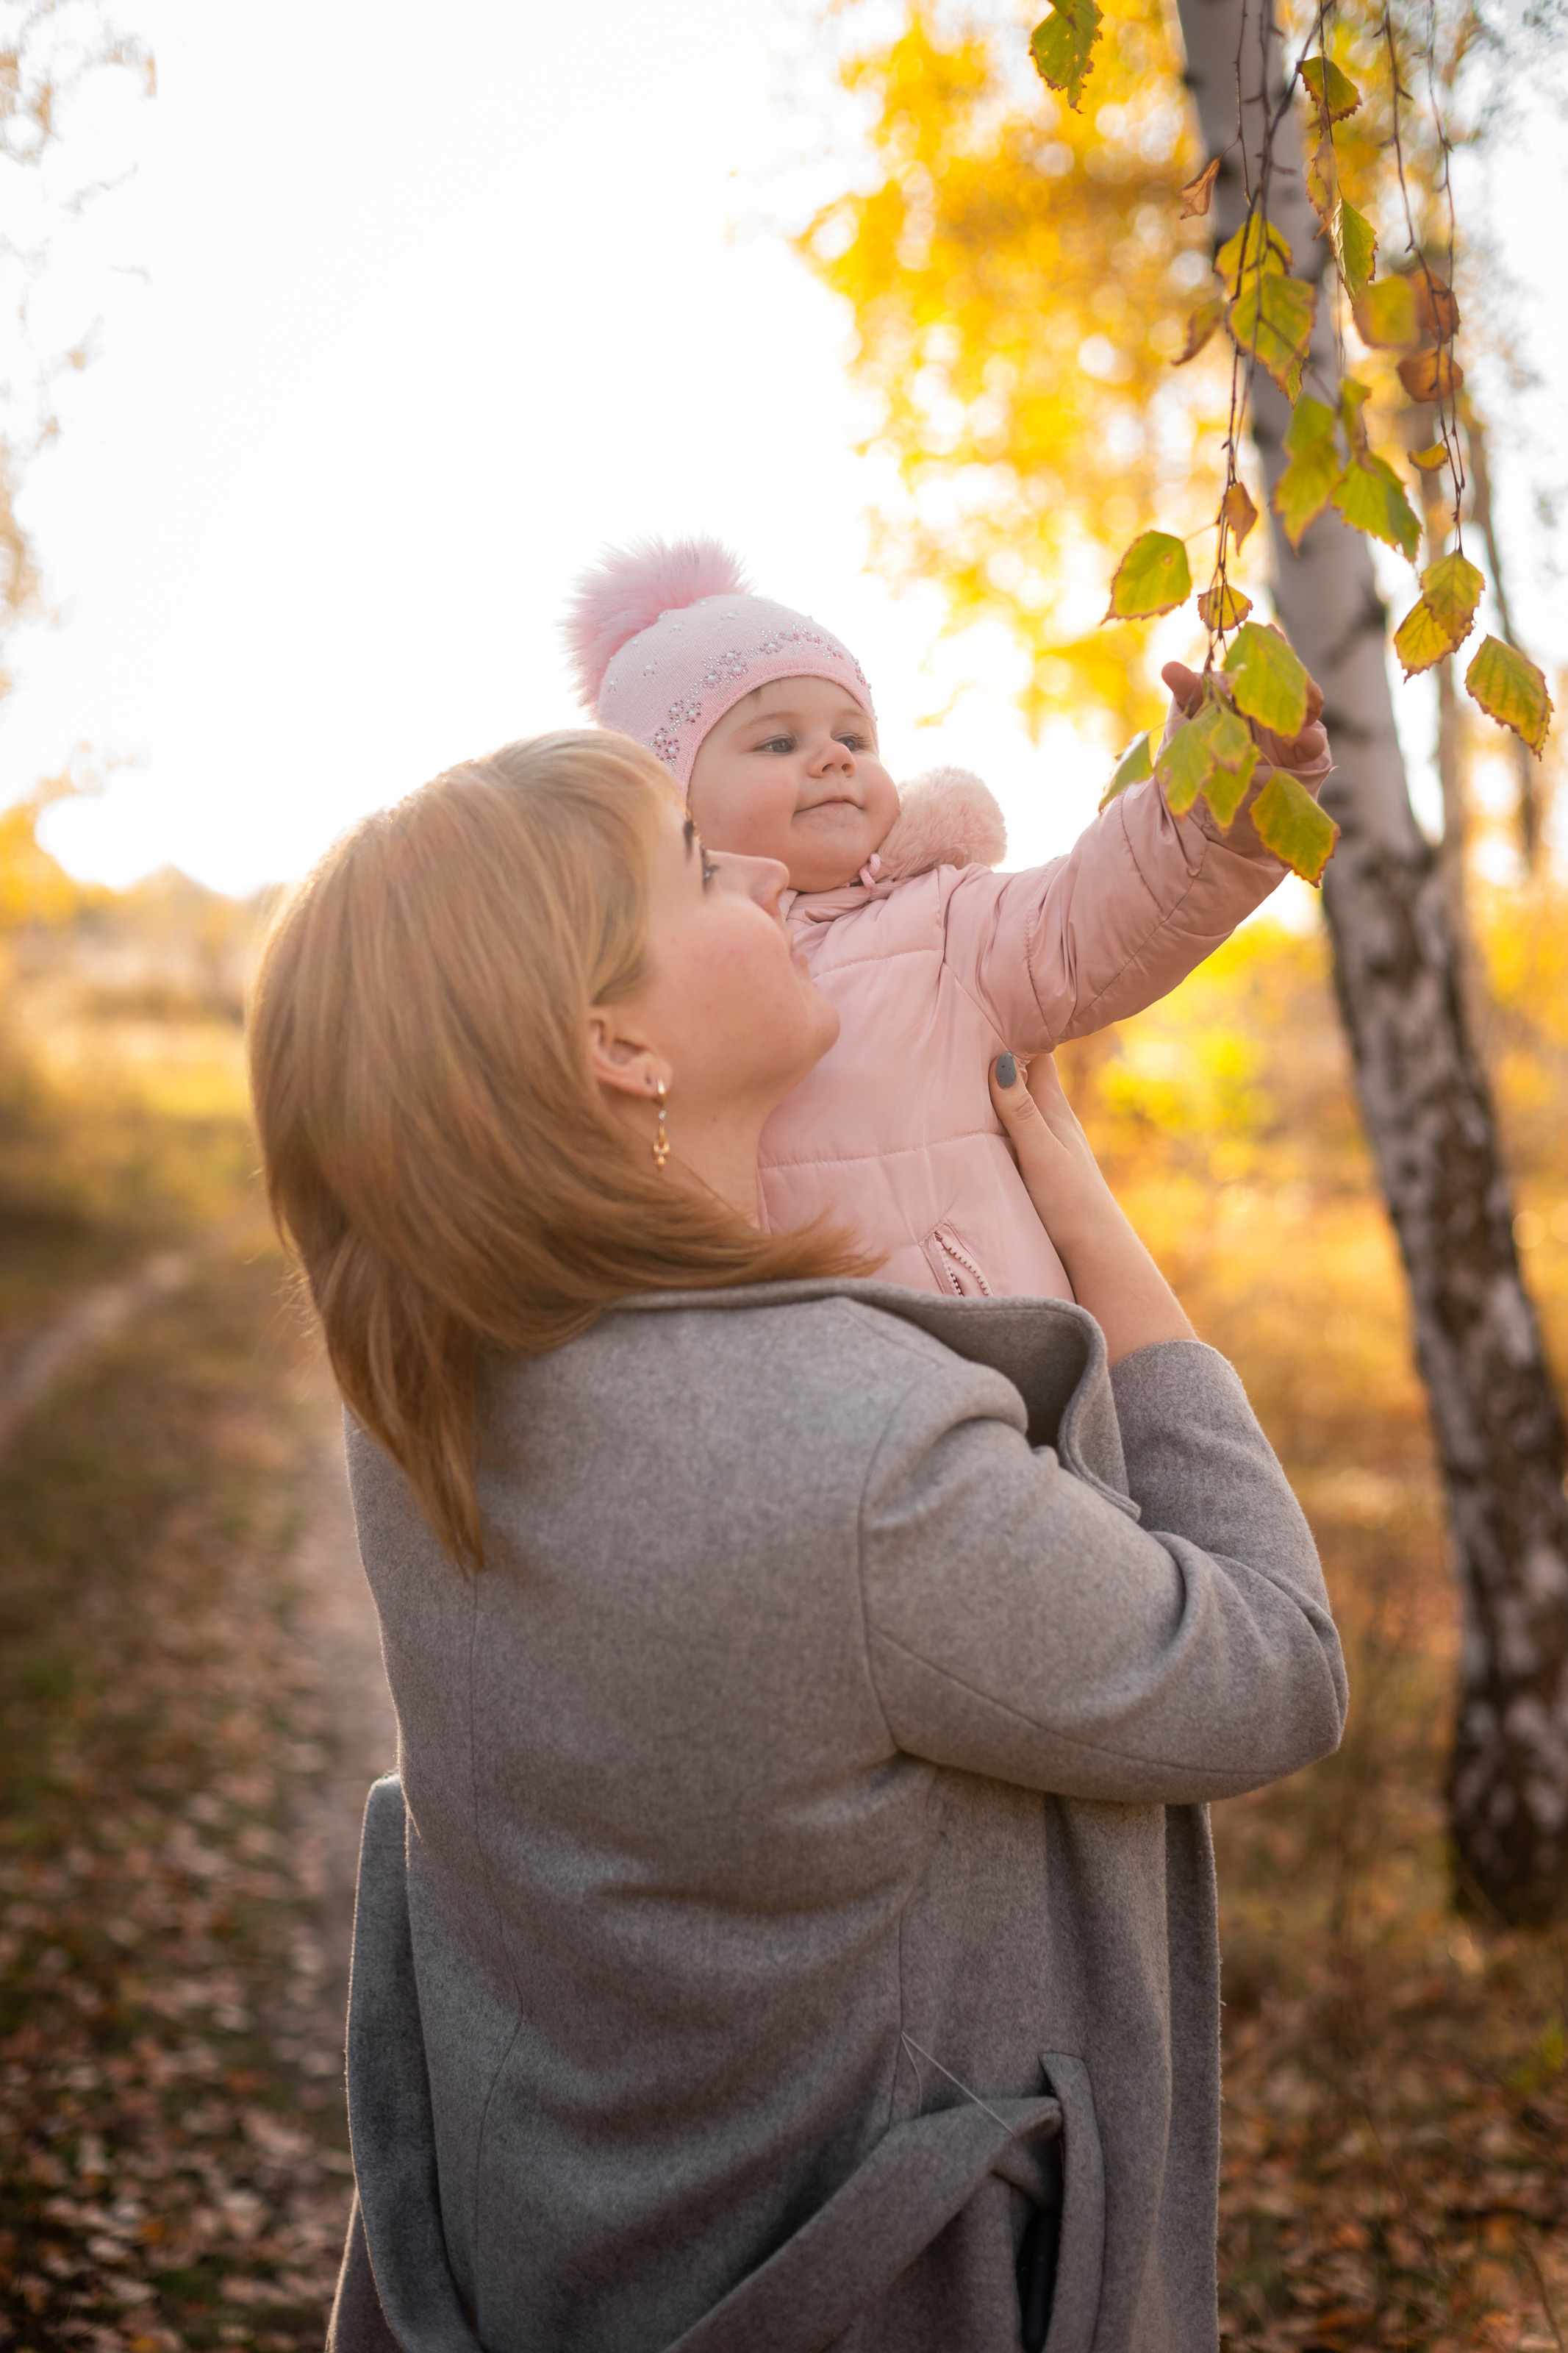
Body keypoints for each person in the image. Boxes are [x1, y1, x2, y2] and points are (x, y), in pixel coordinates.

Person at [248, 729, 1346, 2353]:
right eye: (698, 865)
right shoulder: (860, 1455)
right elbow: (1274, 1666)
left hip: (555, 2267)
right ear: (618, 1042)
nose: (768, 872)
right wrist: (1095, 1231)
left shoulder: (435, 1381)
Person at [565, 538, 1332, 1300]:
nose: (833, 756)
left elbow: (1091, 918)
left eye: (854, 737)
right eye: (777, 740)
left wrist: (1217, 800)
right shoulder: (642, 981)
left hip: (996, 1366)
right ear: (671, 804)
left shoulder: (941, 920)